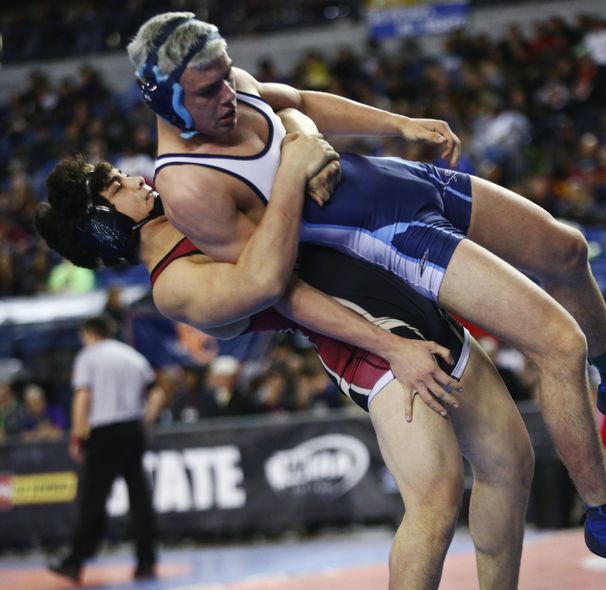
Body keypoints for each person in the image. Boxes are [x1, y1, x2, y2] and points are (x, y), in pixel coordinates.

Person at [126, 12, 606, 582]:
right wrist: (296, 167)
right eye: (210, 90)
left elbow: (298, 102)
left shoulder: (230, 88)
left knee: (567, 249)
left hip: (394, 180)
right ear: (166, 99)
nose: (229, 93)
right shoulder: (188, 183)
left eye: (229, 75)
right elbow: (273, 284)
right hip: (386, 237)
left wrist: (398, 124)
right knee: (559, 345)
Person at [37, 148, 533, 589]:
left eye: (120, 174)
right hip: (368, 340)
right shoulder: (175, 285)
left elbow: (280, 116)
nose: (132, 177)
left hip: (407, 297)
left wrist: (311, 142)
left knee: (511, 466)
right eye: (115, 187)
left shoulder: (186, 200)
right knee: (436, 500)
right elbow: (280, 288)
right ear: (103, 225)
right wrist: (392, 347)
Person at [47, 315, 166, 583]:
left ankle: (75, 562)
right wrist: (144, 420)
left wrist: (78, 437)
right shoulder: (133, 357)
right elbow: (157, 394)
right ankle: (146, 561)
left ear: (89, 333)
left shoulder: (89, 357)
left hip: (104, 433)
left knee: (94, 500)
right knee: (140, 499)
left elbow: (82, 397)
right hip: (132, 430)